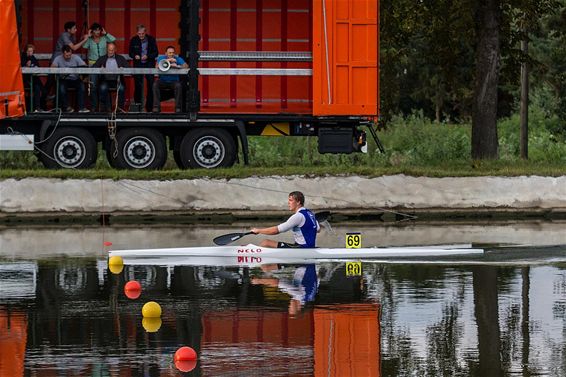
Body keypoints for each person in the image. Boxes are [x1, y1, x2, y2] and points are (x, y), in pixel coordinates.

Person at [251, 191, 320, 248]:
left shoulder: (298, 216)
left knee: (266, 243)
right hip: (309, 247)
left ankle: (254, 256)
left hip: (301, 248)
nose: (288, 203)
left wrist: (259, 230)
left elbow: (276, 230)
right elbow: (318, 229)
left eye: (290, 200)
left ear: (298, 202)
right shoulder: (310, 214)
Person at [83, 23, 117, 111]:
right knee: (93, 87)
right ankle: (94, 106)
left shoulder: (104, 38)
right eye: (95, 30)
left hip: (104, 64)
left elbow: (113, 39)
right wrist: (88, 36)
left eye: (99, 30)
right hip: (92, 65)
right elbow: (84, 46)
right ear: (92, 31)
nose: (97, 32)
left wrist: (106, 33)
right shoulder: (90, 40)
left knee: (104, 85)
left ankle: (106, 106)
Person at [129, 24, 158, 112]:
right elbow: (130, 53)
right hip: (138, 64)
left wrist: (148, 56)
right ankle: (138, 107)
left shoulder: (151, 40)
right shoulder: (133, 40)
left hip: (149, 64)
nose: (141, 35)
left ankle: (149, 108)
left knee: (150, 86)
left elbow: (156, 53)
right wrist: (135, 56)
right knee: (138, 86)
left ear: (145, 32)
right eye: (139, 34)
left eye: (142, 33)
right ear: (136, 33)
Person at [51, 45, 89, 112]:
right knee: (62, 89)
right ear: (63, 53)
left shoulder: (76, 57)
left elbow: (84, 66)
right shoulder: (58, 58)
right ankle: (67, 107)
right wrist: (60, 71)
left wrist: (81, 71)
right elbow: (52, 68)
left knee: (82, 87)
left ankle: (81, 108)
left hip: (75, 79)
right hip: (64, 79)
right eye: (66, 55)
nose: (68, 57)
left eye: (70, 55)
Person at [92, 43, 128, 112]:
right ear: (106, 50)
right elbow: (94, 67)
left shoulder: (120, 58)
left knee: (122, 88)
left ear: (115, 50)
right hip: (105, 80)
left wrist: (123, 68)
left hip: (117, 80)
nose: (110, 52)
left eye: (112, 50)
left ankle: (119, 108)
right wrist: (100, 68)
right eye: (109, 50)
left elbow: (128, 68)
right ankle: (104, 108)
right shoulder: (102, 58)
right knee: (102, 88)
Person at [152, 46, 187, 113]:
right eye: (169, 53)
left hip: (174, 82)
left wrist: (177, 66)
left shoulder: (177, 59)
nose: (171, 54)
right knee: (155, 84)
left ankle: (178, 108)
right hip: (163, 81)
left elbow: (186, 66)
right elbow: (157, 66)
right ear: (166, 53)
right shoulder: (161, 58)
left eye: (173, 53)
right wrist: (168, 61)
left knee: (179, 86)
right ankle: (156, 107)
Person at [21, 44, 46, 112]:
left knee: (38, 87)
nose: (30, 53)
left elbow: (38, 67)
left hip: (33, 79)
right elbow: (20, 68)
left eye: (31, 51)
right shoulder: (22, 57)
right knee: (38, 86)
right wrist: (26, 65)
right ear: (25, 51)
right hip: (25, 80)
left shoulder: (33, 57)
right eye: (28, 51)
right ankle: (37, 107)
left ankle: (38, 107)